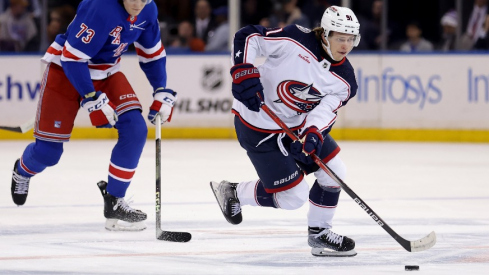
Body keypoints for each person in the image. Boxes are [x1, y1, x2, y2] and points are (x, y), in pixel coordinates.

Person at [10, 0, 177, 231]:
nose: (139, 4)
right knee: (48, 153)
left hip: (107, 72)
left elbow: (153, 54)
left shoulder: (149, 10)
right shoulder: (101, 7)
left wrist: (160, 89)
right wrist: (91, 96)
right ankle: (22, 170)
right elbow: (72, 57)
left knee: (136, 129)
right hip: (66, 71)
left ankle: (115, 200)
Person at [210, 5, 360, 257]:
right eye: (339, 38)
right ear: (325, 34)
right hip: (256, 124)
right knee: (294, 197)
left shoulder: (345, 81)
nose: (345, 45)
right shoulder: (295, 39)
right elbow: (248, 36)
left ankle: (320, 233)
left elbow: (324, 111)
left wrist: (314, 133)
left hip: (298, 126)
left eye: (350, 39)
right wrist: (243, 70)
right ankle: (233, 191)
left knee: (335, 171)